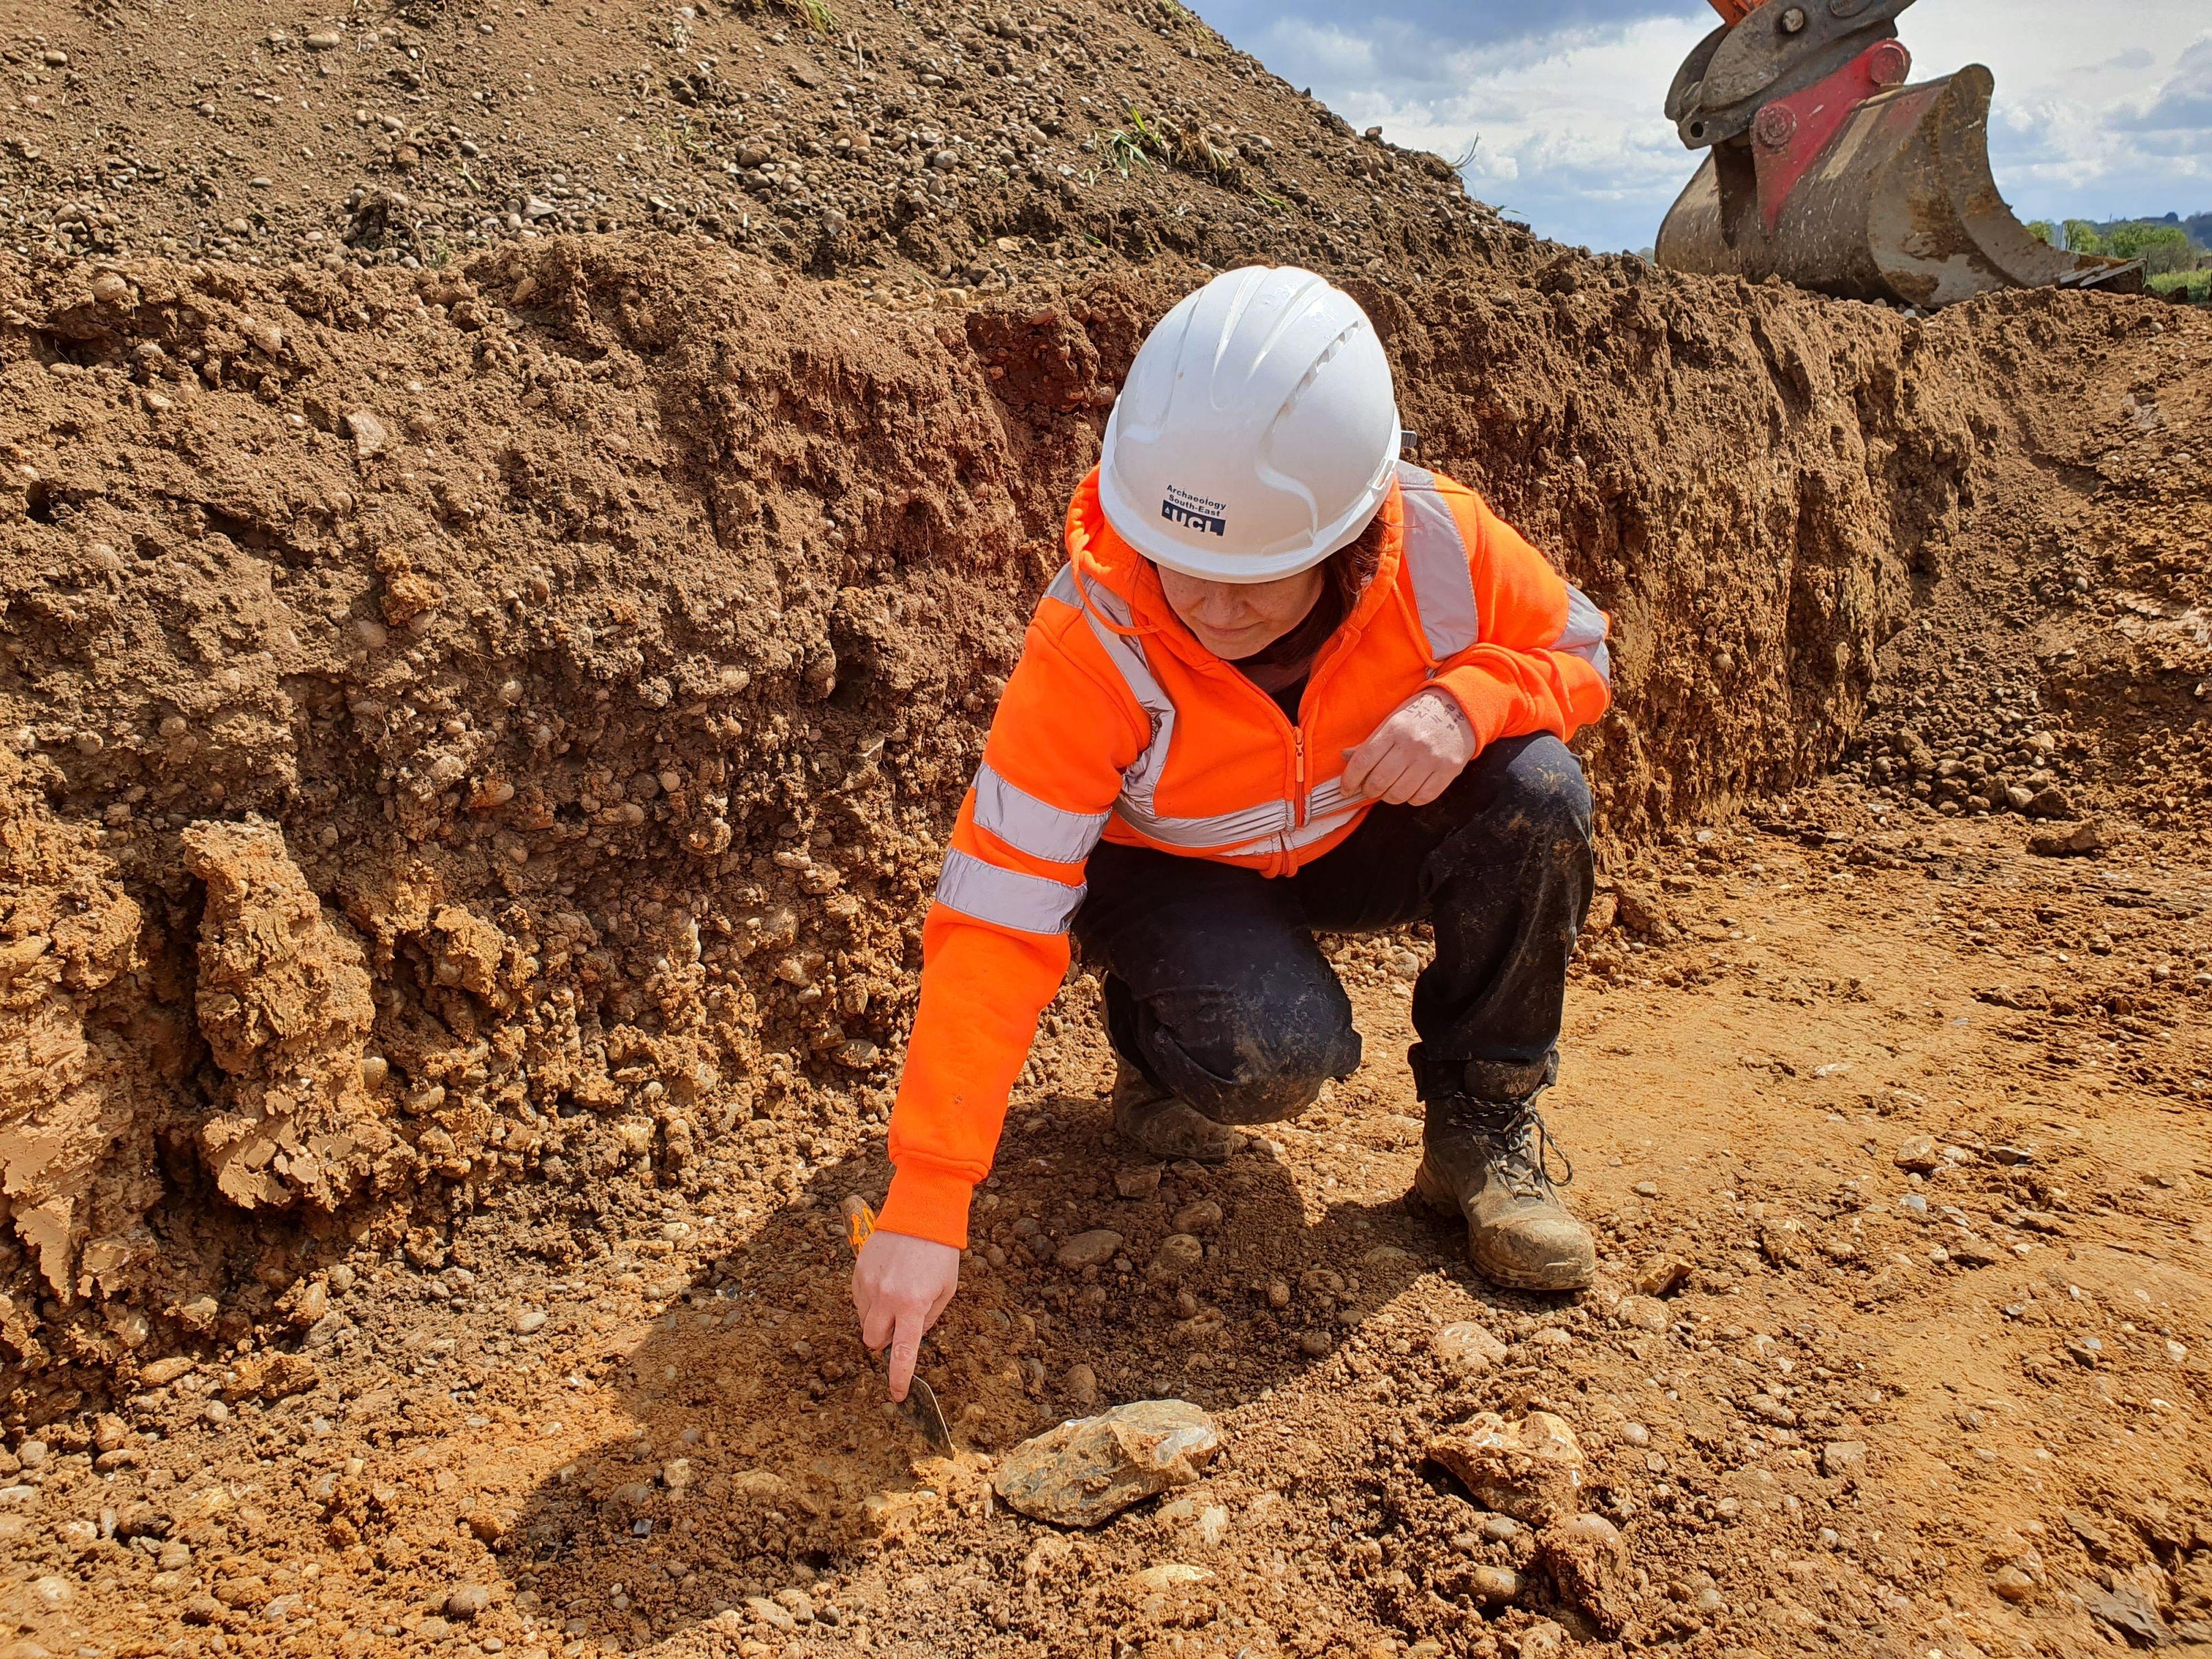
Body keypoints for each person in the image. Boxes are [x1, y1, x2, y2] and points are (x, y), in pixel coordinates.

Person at [851, 267, 1612, 1400]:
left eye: (1252, 581)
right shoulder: (1093, 634)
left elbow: (1584, 659)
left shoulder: (1444, 549)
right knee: (1274, 1054)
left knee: (1538, 792)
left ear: (1354, 531)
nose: (1206, 609)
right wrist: (926, 1198)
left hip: (1352, 830)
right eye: (1181, 567)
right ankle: (1160, 1045)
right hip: (1172, 877)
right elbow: (997, 911)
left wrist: (1470, 704)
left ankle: (1481, 1128)